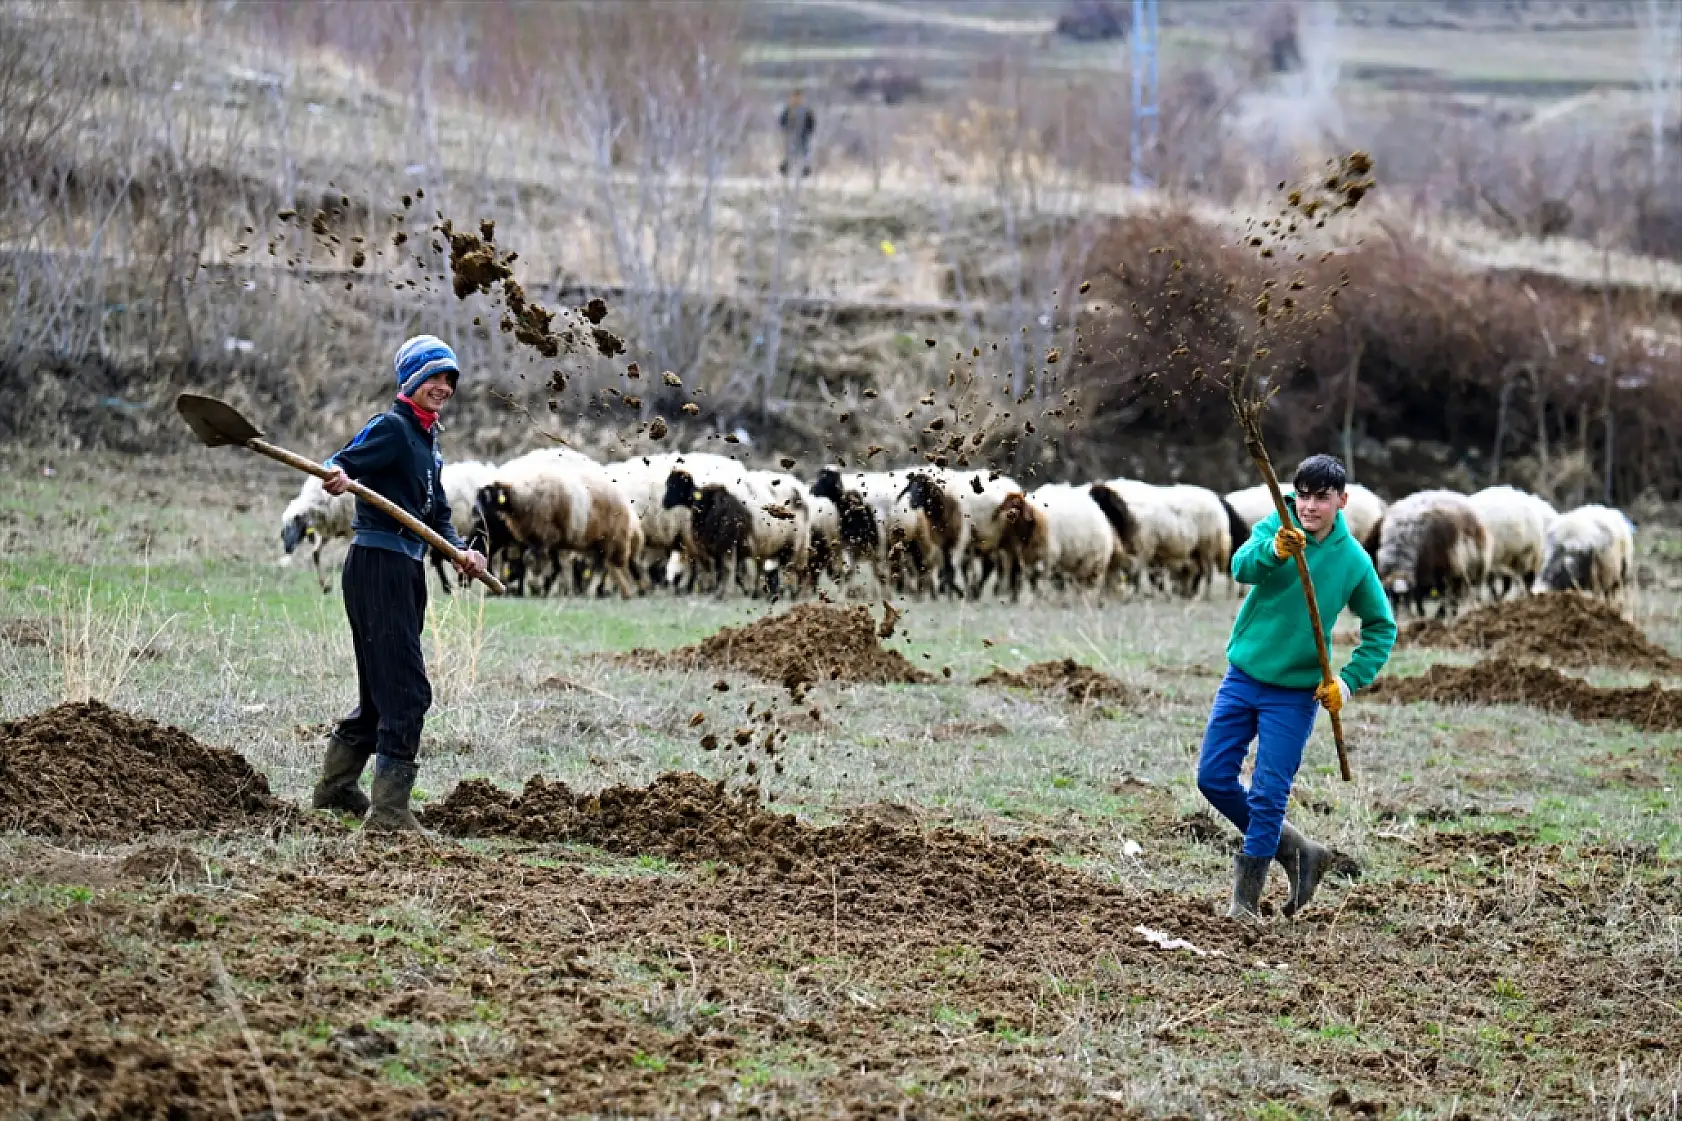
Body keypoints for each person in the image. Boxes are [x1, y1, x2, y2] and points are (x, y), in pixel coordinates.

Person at [1198, 454, 1396, 919]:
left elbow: (1381, 628)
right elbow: (1241, 567)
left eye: (1321, 498)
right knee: (1212, 778)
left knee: (1268, 794)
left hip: (1294, 695)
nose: (1308, 506)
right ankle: (1297, 849)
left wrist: (1346, 684)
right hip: (1243, 677)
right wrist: (1274, 551)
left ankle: (1244, 903)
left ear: (1341, 501)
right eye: (1302, 495)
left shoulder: (1353, 561)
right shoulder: (1278, 524)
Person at [309, 335, 487, 832]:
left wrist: (460, 552)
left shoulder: (428, 443)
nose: (443, 386)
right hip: (377, 567)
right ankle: (388, 816)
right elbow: (339, 462)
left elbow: (435, 515)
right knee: (406, 694)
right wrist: (340, 475)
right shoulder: (391, 428)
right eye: (434, 376)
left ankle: (335, 788)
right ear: (411, 380)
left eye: (449, 378)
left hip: (406, 570)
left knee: (380, 695)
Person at [778, 89, 815, 177]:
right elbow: (782, 121)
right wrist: (785, 130)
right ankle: (786, 167)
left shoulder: (806, 110)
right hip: (791, 134)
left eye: (799, 97)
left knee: (804, 151)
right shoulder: (789, 109)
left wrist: (808, 131)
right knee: (789, 151)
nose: (797, 100)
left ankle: (805, 168)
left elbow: (811, 122)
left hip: (803, 134)